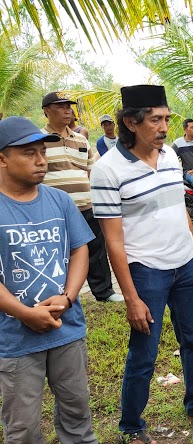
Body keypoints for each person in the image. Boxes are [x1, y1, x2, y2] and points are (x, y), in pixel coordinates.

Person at [90, 85, 193, 444]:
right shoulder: (107, 170)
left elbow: (178, 209)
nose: (164, 126)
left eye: (167, 118)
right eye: (155, 119)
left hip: (183, 266)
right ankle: (132, 424)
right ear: (131, 123)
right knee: (144, 352)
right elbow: (113, 242)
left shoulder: (169, 158)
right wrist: (131, 297)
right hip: (146, 273)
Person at [0, 116, 127, 444]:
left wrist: (69, 298)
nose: (42, 160)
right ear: (2, 159)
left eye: (43, 151)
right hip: (14, 336)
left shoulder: (59, 200)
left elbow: (79, 251)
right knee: (21, 415)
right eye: (29, 153)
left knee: (75, 397)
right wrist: (24, 312)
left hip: (65, 325)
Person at [41, 91, 123, 303]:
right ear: (46, 111)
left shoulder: (81, 140)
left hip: (87, 205)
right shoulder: (39, 141)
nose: (67, 110)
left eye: (69, 106)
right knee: (57, 252)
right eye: (60, 106)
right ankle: (59, 292)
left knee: (96, 250)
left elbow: (90, 171)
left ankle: (104, 292)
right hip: (54, 209)